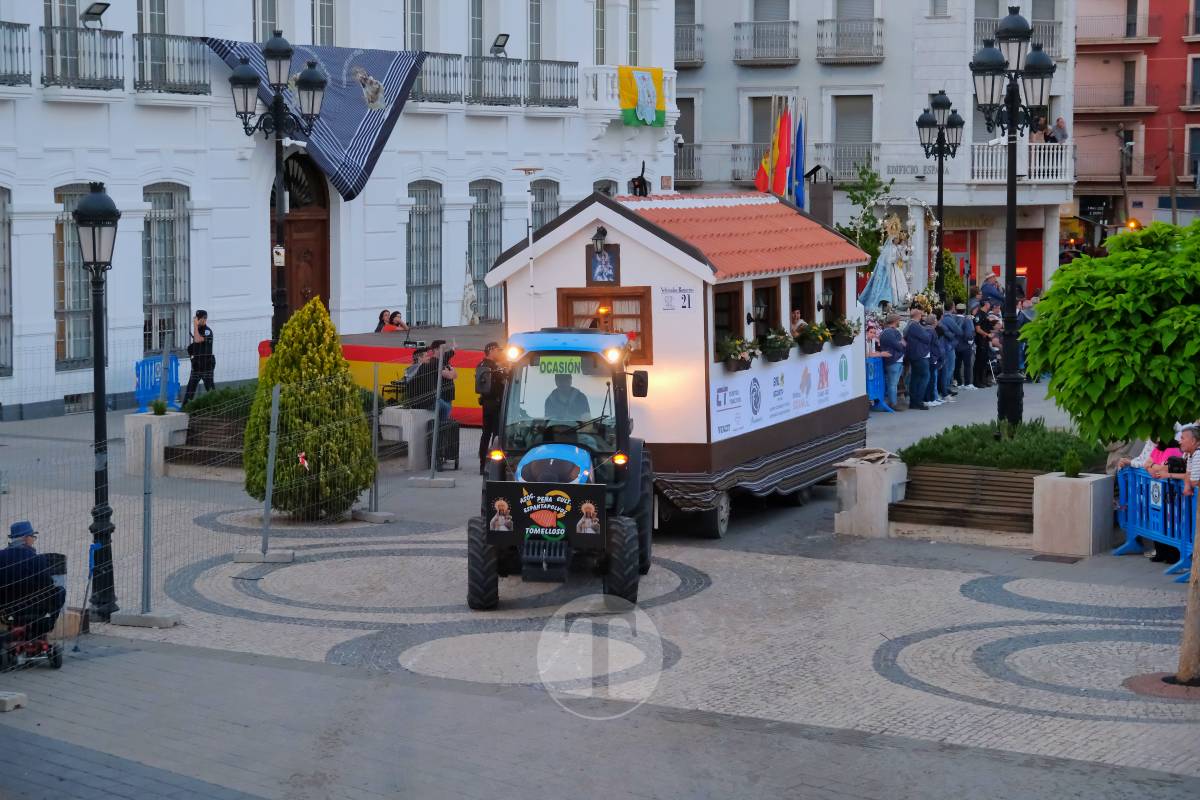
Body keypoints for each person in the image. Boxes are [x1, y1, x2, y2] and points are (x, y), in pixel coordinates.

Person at [0, 521, 65, 641]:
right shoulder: (37, 560)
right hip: (34, 608)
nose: (34, 540)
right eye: (33, 537)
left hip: (7, 610)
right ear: (26, 538)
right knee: (60, 591)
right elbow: (48, 586)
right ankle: (46, 626)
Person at [475, 342, 506, 474]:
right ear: (491, 350)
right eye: (497, 350)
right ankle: (494, 464)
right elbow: (503, 383)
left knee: (485, 434)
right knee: (496, 436)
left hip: (486, 404)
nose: (499, 353)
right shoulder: (494, 367)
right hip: (496, 404)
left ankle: (482, 465)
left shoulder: (480, 365)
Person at [182, 310, 215, 405]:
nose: (196, 320)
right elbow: (195, 344)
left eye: (198, 319)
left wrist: (195, 326)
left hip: (206, 364)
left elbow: (197, 339)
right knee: (190, 388)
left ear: (204, 319)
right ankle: (186, 407)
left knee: (210, 388)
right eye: (196, 318)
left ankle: (216, 406)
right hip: (197, 365)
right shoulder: (198, 330)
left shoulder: (207, 331)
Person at [904, 308, 933, 410]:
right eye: (921, 315)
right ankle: (918, 401)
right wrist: (930, 331)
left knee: (915, 378)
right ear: (918, 316)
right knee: (925, 376)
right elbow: (927, 338)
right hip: (919, 355)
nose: (922, 317)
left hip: (914, 354)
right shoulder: (915, 326)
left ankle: (913, 402)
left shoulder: (909, 325)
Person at [879, 314, 905, 410]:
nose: (899, 322)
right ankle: (893, 403)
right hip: (894, 360)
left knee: (893, 383)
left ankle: (893, 402)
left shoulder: (887, 331)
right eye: (899, 320)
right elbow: (899, 345)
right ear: (895, 320)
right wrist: (902, 344)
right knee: (892, 384)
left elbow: (901, 344)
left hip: (895, 359)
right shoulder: (889, 332)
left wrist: (901, 344)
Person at [934, 309, 957, 401]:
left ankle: (941, 392)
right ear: (941, 316)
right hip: (942, 351)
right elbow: (951, 335)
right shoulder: (940, 327)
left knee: (938, 374)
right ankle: (944, 392)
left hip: (938, 351)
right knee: (944, 372)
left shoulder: (934, 327)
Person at [952, 303, 974, 390]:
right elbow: (969, 334)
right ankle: (967, 383)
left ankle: (959, 382)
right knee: (967, 365)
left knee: (957, 364)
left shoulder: (953, 319)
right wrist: (970, 342)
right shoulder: (967, 320)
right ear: (964, 311)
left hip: (955, 345)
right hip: (965, 345)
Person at [973, 301, 995, 387]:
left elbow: (987, 326)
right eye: (989, 303)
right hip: (981, 341)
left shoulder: (986, 314)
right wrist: (986, 334)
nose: (990, 304)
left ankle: (983, 380)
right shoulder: (979, 314)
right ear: (986, 304)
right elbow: (977, 329)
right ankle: (977, 381)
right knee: (979, 361)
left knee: (985, 361)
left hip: (986, 341)